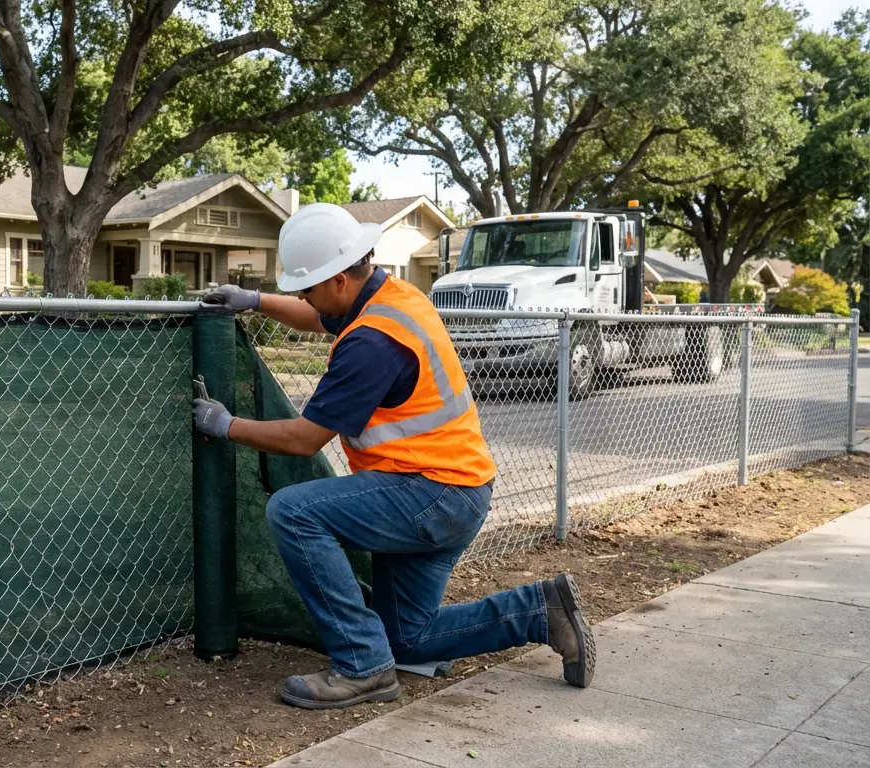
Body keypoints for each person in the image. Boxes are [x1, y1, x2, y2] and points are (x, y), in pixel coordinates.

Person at [193, 203, 594, 710]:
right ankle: (540, 610)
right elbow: (321, 317)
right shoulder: (393, 298)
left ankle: (362, 666)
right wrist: (256, 300)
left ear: (340, 279)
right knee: (408, 637)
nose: (302, 297)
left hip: (429, 493)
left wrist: (226, 425)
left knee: (293, 512)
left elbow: (304, 438)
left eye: (308, 287)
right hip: (456, 489)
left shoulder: (371, 344)